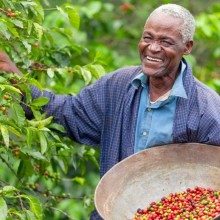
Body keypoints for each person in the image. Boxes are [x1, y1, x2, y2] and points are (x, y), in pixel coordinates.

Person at [1, 3, 220, 220]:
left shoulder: (206, 108)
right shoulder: (118, 86)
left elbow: (213, 185)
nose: (153, 48)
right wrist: (20, 84)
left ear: (187, 47)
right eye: (147, 38)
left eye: (165, 42)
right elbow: (70, 112)